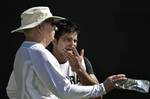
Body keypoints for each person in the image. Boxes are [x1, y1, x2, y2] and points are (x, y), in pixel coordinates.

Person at [6, 6, 127, 99]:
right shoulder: (39, 52)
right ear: (39, 27)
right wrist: (103, 87)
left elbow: (11, 90)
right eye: (52, 24)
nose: (55, 28)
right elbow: (64, 90)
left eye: (75, 40)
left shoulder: (22, 51)